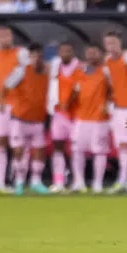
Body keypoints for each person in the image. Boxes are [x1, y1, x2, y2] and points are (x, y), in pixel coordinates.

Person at [4, 43, 50, 194]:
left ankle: (36, 181)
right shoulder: (21, 70)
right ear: (29, 57)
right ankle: (19, 182)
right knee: (19, 150)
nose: (37, 59)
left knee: (39, 151)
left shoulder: (46, 71)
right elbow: (7, 85)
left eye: (39, 55)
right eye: (34, 56)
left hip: (38, 119)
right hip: (20, 118)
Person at [68, 44, 113, 193]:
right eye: (89, 52)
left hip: (99, 119)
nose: (91, 55)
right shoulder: (80, 71)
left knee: (99, 151)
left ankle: (97, 184)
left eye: (94, 52)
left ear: (100, 54)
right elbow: (74, 91)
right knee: (77, 150)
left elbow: (113, 90)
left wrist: (108, 104)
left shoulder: (106, 70)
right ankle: (79, 182)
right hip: (81, 118)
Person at [0, 26, 27, 192]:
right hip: (2, 105)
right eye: (0, 36)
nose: (3, 38)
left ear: (11, 37)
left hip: (17, 104)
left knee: (17, 145)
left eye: (6, 35)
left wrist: (8, 84)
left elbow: (27, 70)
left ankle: (18, 181)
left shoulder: (20, 52)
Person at [104, 32, 127, 192]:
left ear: (120, 43)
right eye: (108, 43)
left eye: (114, 43)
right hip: (117, 110)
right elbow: (108, 85)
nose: (111, 46)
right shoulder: (107, 62)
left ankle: (123, 179)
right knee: (122, 147)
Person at [49, 42, 80, 192]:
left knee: (76, 149)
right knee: (58, 147)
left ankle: (77, 180)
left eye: (68, 51)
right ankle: (59, 181)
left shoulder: (79, 68)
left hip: (75, 116)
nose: (65, 54)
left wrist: (68, 102)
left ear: (73, 52)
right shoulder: (56, 67)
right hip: (58, 115)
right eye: (63, 51)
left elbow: (79, 89)